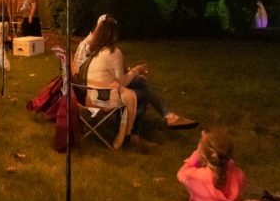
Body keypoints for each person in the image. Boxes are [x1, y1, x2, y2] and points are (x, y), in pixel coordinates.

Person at [72, 14, 196, 148]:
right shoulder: (114, 52)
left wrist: (134, 74)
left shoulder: (94, 50)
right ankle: (136, 134)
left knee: (140, 83)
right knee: (143, 94)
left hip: (89, 94)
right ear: (113, 34)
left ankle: (166, 117)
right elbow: (122, 82)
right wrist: (137, 70)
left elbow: (113, 76)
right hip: (104, 97)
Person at [156, 130, 245, 201]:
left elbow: (181, 173)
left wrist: (197, 153)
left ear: (204, 154)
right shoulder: (239, 176)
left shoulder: (197, 177)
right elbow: (227, 167)